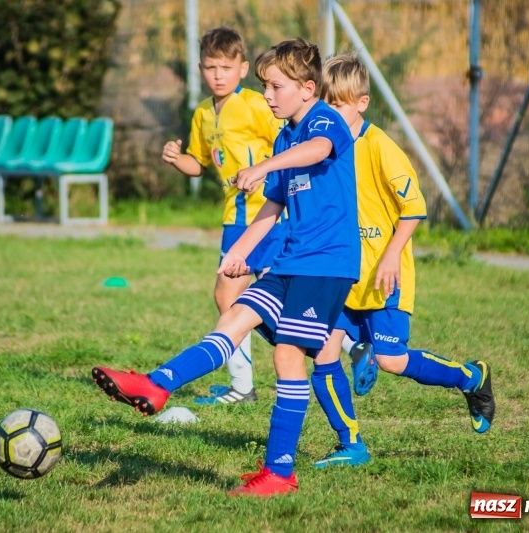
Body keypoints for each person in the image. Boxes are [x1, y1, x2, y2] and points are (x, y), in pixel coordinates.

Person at [92, 38, 359, 496]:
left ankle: (279, 473)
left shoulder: (322, 120)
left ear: (308, 87)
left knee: (286, 357)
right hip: (291, 258)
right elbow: (272, 207)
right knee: (233, 316)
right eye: (264, 87)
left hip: (327, 264)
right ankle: (156, 385)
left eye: (276, 87)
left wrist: (263, 166)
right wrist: (242, 253)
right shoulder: (283, 134)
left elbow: (318, 150)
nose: (268, 95)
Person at [308, 54, 496, 469]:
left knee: (393, 360)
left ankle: (471, 377)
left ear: (362, 103)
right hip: (342, 276)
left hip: (383, 276)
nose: (332, 114)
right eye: (326, 105)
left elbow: (413, 208)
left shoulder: (381, 148)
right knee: (321, 352)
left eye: (338, 105)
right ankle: (351, 444)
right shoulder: (323, 150)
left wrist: (392, 254)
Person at [161, 26, 286, 406]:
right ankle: (346, 344)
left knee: (233, 297)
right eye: (211, 67)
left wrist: (263, 171)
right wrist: (176, 158)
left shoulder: (255, 104)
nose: (218, 75)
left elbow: (286, 145)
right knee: (247, 300)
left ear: (243, 68)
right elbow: (198, 164)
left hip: (266, 215)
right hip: (235, 216)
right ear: (200, 68)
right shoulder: (202, 114)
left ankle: (244, 386)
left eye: (226, 67)